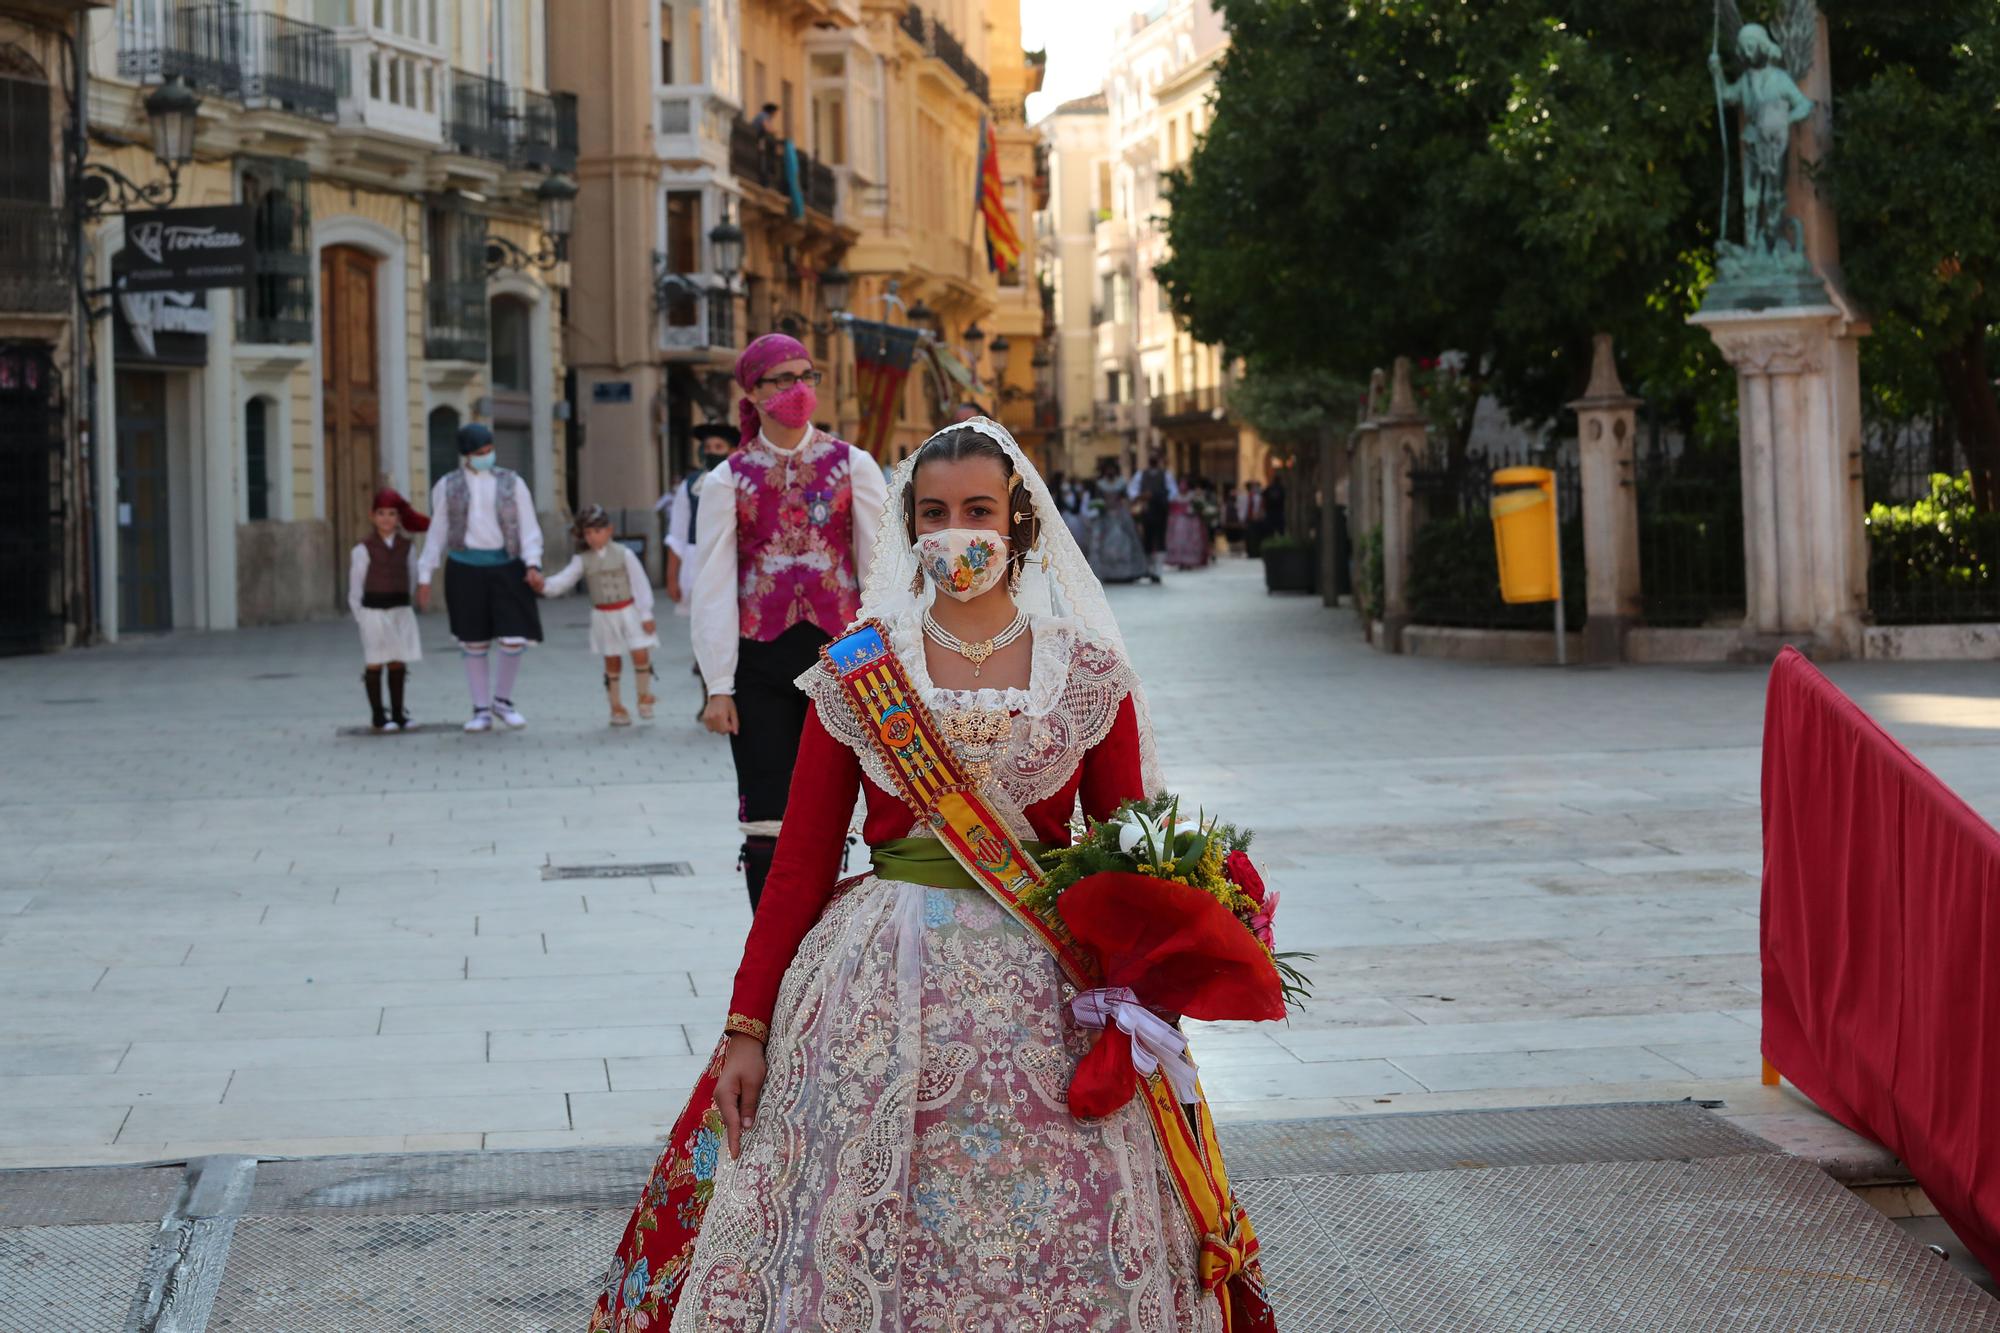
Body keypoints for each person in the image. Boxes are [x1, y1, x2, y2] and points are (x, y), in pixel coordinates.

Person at [587, 417, 1273, 1333]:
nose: (959, 532)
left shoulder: (1089, 675)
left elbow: (1121, 847)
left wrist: (1161, 998)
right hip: (876, 985)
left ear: (1019, 520)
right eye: (937, 512)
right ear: (911, 527)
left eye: (979, 510)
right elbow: (797, 865)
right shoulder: (858, 670)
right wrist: (747, 1026)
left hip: (1050, 995)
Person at [690, 332, 888, 909]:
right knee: (768, 818)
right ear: (753, 392)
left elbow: (877, 573)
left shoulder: (854, 464)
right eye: (784, 379)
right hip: (760, 665)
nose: (800, 389)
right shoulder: (728, 477)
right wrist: (718, 685)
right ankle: (772, 948)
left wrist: (886, 667)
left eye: (807, 376)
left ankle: (824, 948)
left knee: (833, 813)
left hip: (843, 663)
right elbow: (713, 586)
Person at [416, 423, 545, 732]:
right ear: (466, 456)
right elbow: (437, 533)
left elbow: (528, 526)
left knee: (513, 637)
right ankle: (481, 709)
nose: (486, 457)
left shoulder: (513, 483)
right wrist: (425, 575)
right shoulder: (447, 485)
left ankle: (503, 700)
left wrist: (533, 563)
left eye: (489, 451)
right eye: (479, 453)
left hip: (508, 566)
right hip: (465, 567)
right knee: (473, 640)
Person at [540, 506, 659, 727]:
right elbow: (565, 579)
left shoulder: (624, 554)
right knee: (612, 658)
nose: (593, 537)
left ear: (609, 530)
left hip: (628, 611)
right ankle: (616, 706)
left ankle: (644, 697)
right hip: (604, 615)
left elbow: (640, 583)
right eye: (588, 533)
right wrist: (545, 586)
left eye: (597, 531)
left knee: (640, 652)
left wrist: (646, 613)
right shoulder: (582, 559)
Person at [348, 488, 429, 733]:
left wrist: (407, 600)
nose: (386, 519)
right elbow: (356, 585)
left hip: (399, 610)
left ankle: (398, 712)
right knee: (375, 660)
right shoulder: (363, 549)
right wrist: (360, 615)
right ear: (373, 516)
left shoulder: (407, 547)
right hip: (373, 611)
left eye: (392, 514)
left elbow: (413, 576)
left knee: (397, 660)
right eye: (381, 513)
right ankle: (378, 716)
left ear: (398, 517)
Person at [659, 423, 738, 618]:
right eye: (708, 447)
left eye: (718, 447)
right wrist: (671, 578)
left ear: (732, 450)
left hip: (733, 561)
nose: (711, 452)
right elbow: (677, 535)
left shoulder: (741, 481)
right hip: (698, 562)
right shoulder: (691, 485)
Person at [1087, 458, 1148, 583]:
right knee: (1102, 543)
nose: (1110, 472)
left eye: (1112, 469)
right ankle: (1107, 573)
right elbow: (1095, 500)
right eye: (1108, 470)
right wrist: (1099, 506)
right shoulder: (1100, 484)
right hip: (1105, 517)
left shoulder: (1121, 483)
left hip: (1120, 515)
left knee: (1125, 541)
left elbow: (1125, 498)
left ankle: (1126, 573)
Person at [1128, 449, 1178, 583]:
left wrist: (1162, 498)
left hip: (1161, 510)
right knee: (1148, 539)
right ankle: (1149, 569)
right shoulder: (1141, 474)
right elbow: (1132, 490)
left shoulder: (1166, 475)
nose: (1153, 458)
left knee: (1160, 539)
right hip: (1147, 510)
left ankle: (1158, 570)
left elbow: (1173, 492)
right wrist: (1140, 497)